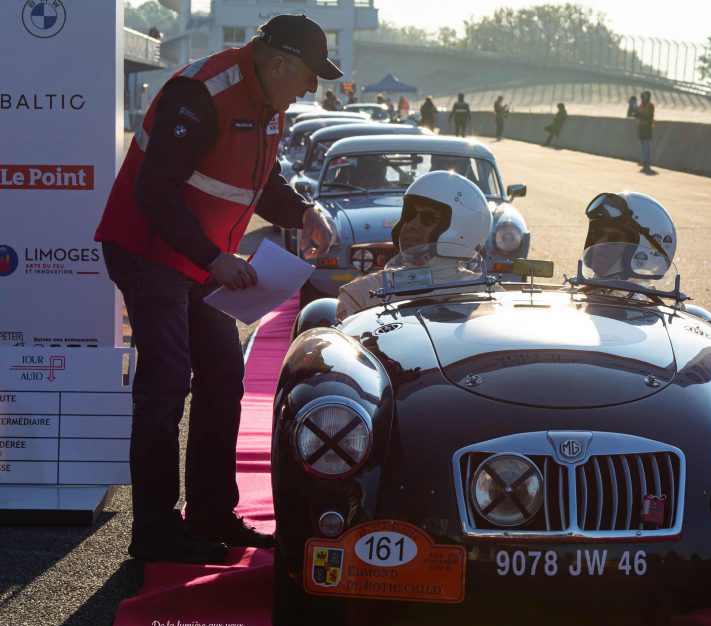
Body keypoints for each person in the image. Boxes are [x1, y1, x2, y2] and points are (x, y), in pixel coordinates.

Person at [94, 14, 338, 564]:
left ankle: (209, 514)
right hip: (148, 250)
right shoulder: (200, 91)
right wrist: (214, 259)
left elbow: (261, 181)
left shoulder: (270, 104)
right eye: (307, 76)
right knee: (167, 381)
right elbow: (155, 192)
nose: (310, 89)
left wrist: (303, 213)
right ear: (278, 63)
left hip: (201, 260)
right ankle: (155, 530)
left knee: (225, 377)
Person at [337, 171, 491, 319]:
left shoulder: (486, 294)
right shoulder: (363, 294)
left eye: (428, 218)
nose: (410, 225)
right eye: (409, 215)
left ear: (461, 229)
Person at [580, 191, 676, 285]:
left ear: (644, 247)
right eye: (598, 235)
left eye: (614, 239)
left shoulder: (641, 301)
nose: (600, 244)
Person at [637, 91, 655, 174]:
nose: (643, 98)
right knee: (643, 145)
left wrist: (640, 115)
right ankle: (644, 160)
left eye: (645, 97)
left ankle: (646, 161)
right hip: (641, 127)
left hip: (647, 127)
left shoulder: (650, 106)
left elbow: (649, 116)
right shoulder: (641, 105)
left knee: (646, 145)